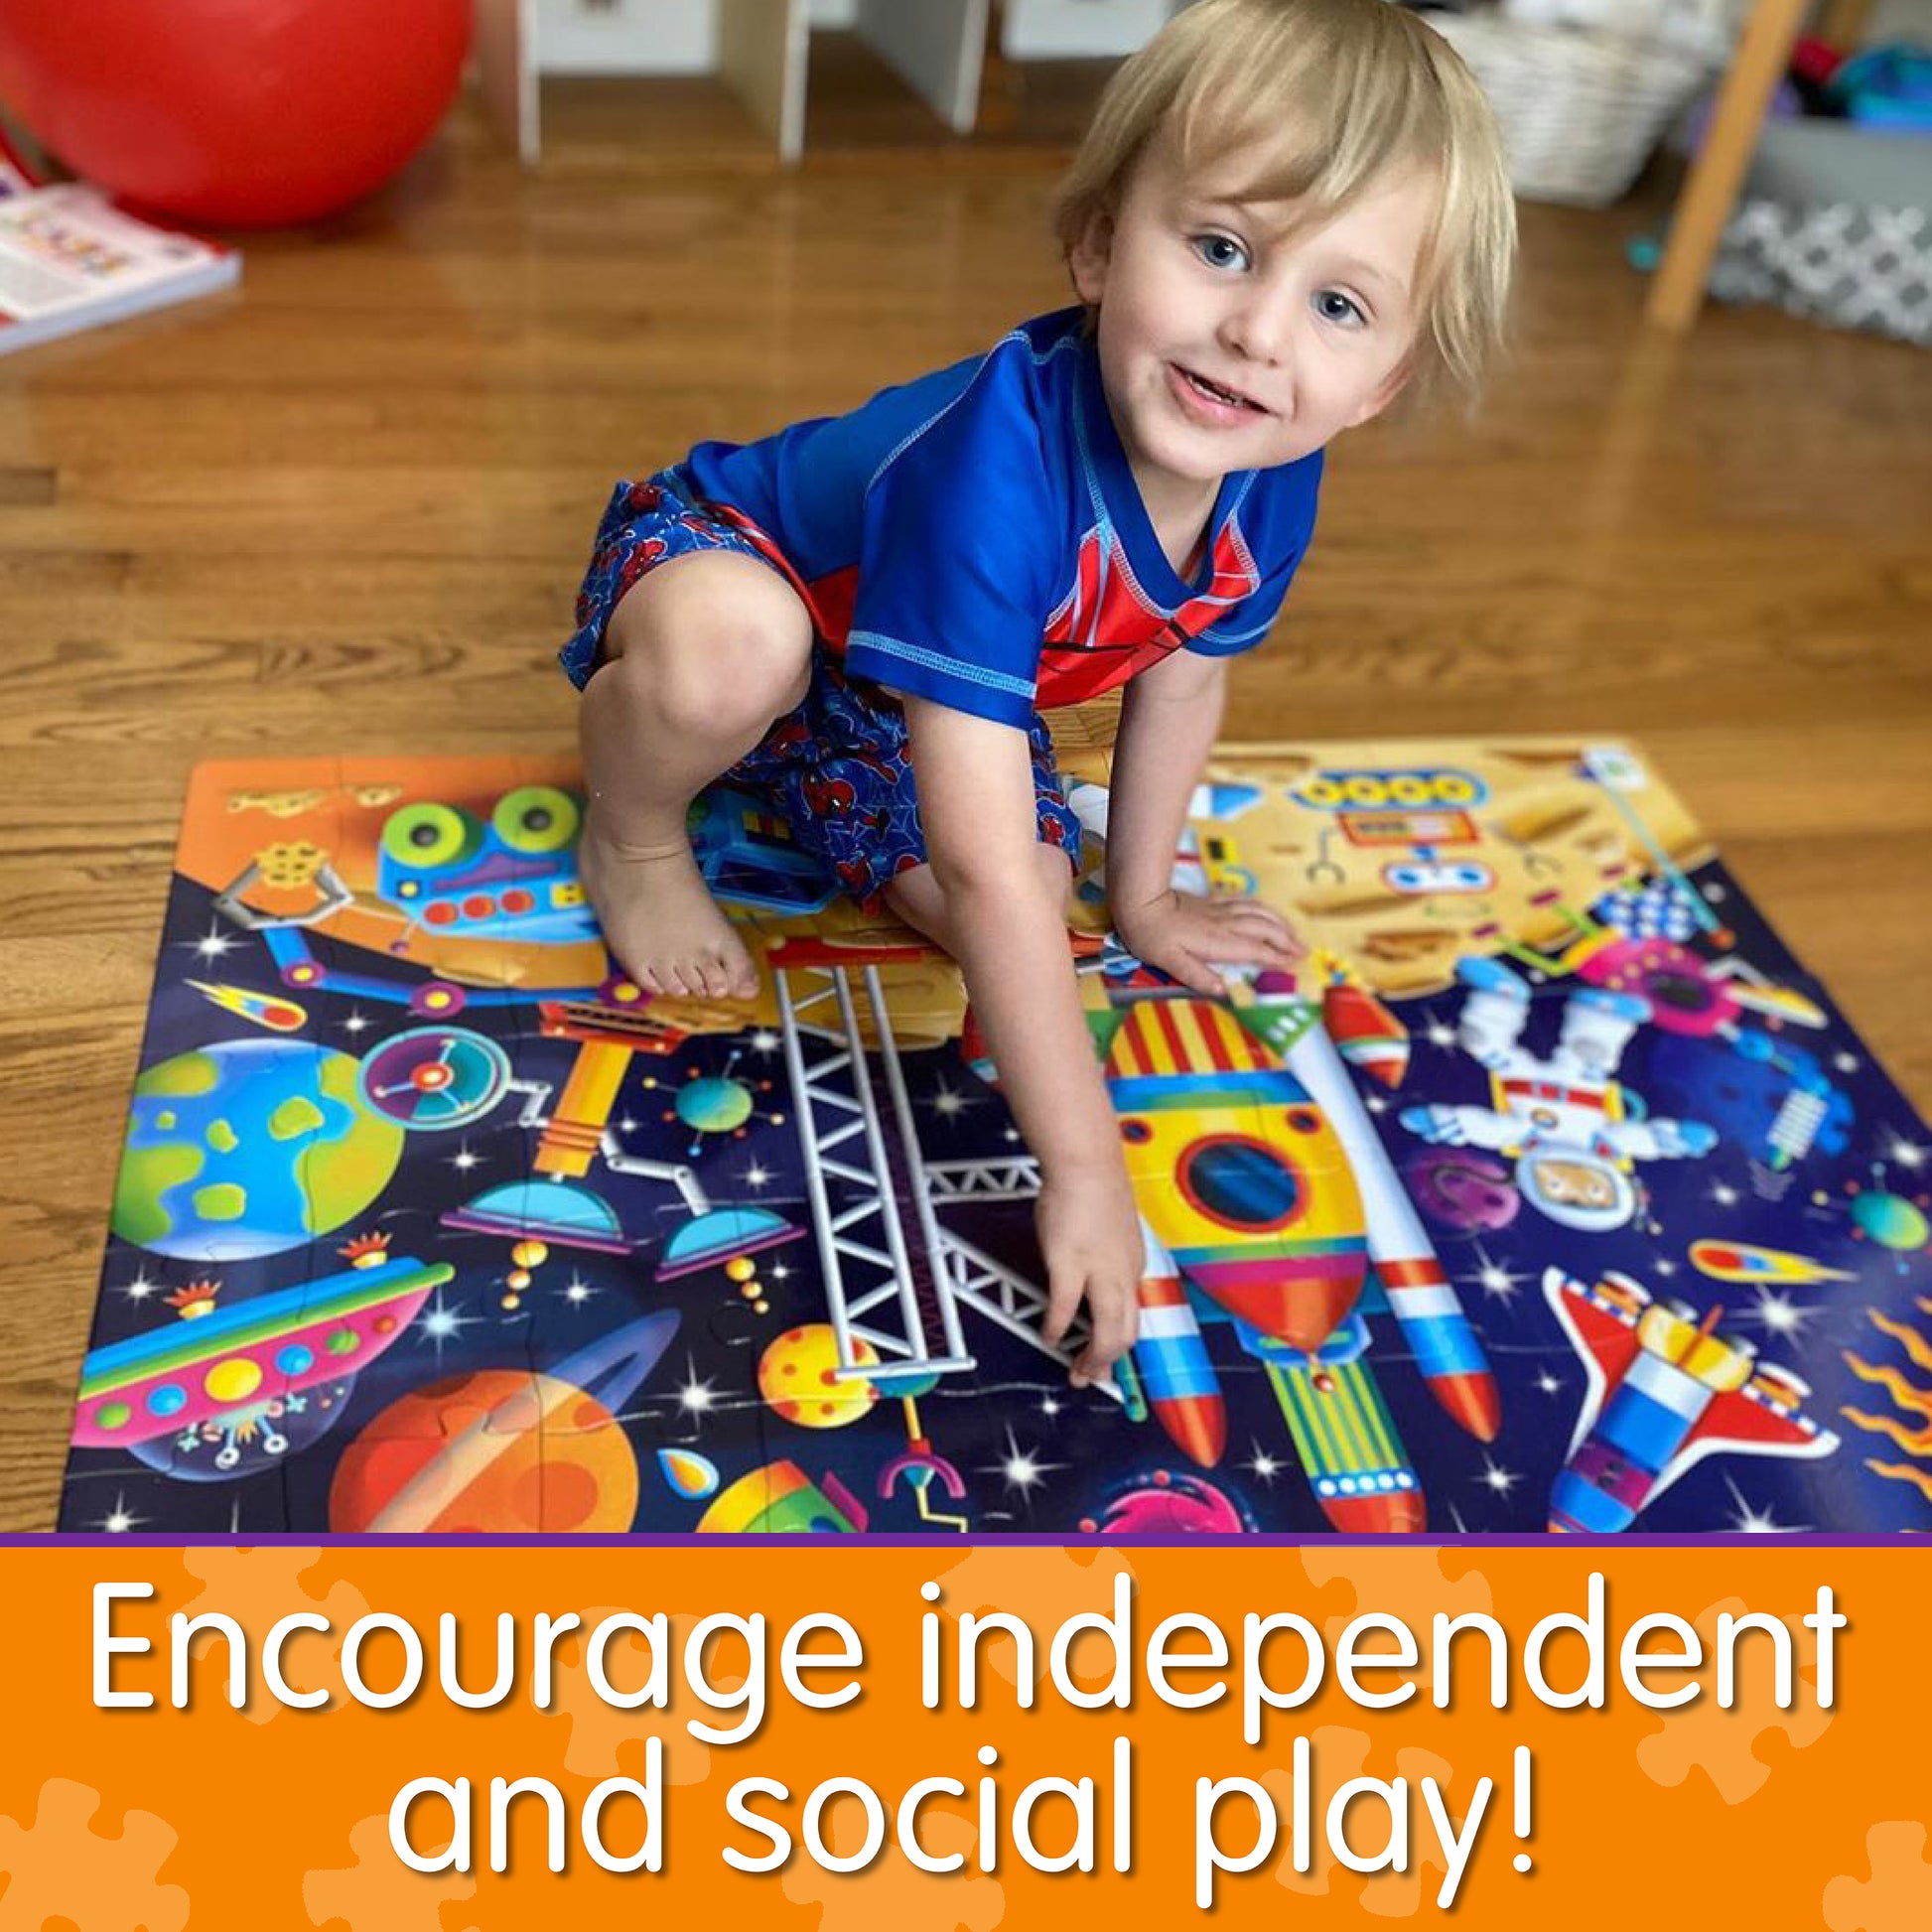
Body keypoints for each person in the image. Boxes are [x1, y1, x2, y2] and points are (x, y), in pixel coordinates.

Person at [559, 0, 1515, 1386]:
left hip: (880, 692)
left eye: (1336, 304)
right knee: (744, 667)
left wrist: (1141, 901)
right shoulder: (992, 474)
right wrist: (1082, 1169)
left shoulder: (1271, 464)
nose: (1255, 332)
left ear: (1382, 380)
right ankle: (636, 826)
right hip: (725, 566)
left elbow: (1181, 682)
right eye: (1221, 248)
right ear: (1096, 244)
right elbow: (986, 855)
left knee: (1018, 939)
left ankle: (799, 776)